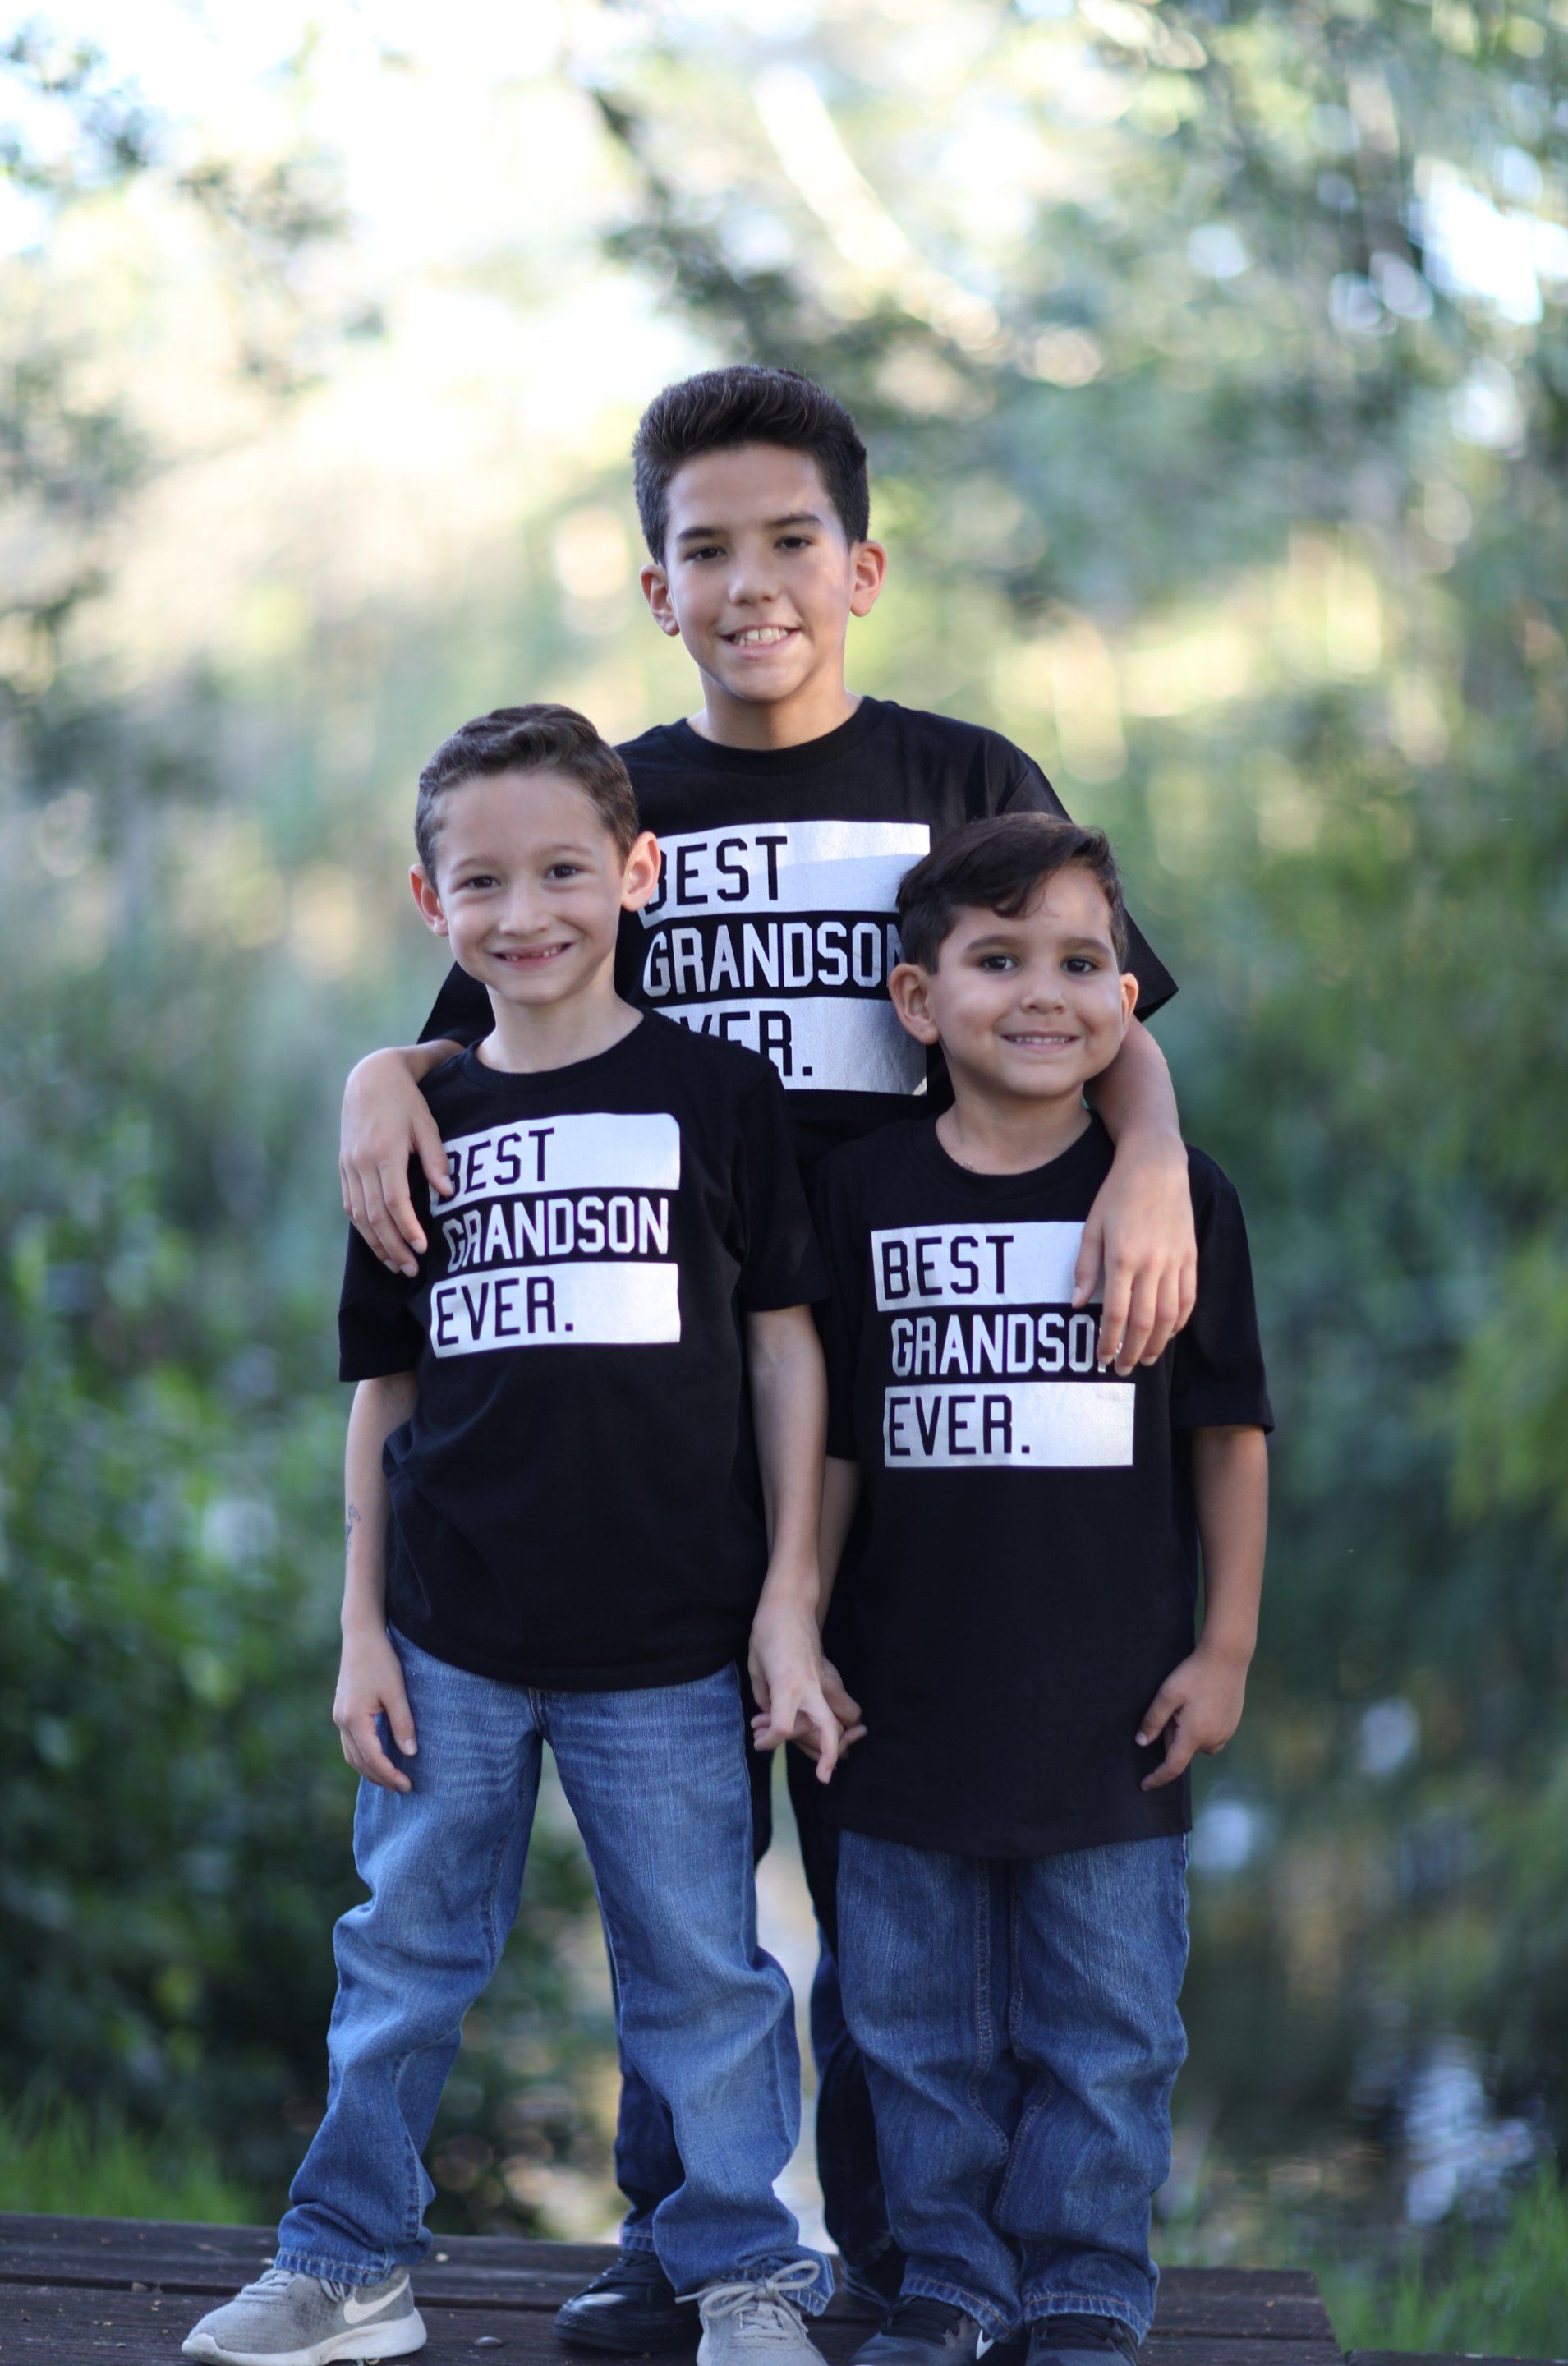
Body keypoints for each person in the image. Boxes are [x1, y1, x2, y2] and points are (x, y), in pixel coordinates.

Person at [335, 366, 1201, 2345]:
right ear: (654, 587)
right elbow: (482, 1029)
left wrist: (1150, 1155)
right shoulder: (613, 812)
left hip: (937, 1403)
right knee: (688, 1878)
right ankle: (690, 2242)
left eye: (788, 540)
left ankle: (928, 2271)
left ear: (861, 563)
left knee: (905, 1858)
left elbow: (1093, 991)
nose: (752, 584)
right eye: (704, 549)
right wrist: (376, 1069)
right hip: (674, 1427)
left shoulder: (959, 776)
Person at [183, 704, 846, 2366]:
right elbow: (382, 1399)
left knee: (704, 1976)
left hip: (674, 1638)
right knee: (401, 1959)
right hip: (450, 1635)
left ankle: (740, 2274)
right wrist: (359, 1631)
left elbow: (785, 1350)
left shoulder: (720, 1092)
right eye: (481, 881)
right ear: (432, 905)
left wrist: (787, 1597)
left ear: (635, 873)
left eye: (563, 869)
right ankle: (347, 2267)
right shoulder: (417, 1124)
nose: (524, 910)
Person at [813, 814, 1272, 2366]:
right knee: (912, 2032)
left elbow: (1229, 1435)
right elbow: (836, 1442)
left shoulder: (1175, 1196)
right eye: (998, 959)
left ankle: (1082, 2282)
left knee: (1110, 2030)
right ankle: (947, 2279)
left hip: (1110, 1701)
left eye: (1084, 963)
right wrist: (796, 1619)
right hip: (903, 1695)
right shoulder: (861, 1193)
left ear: (1128, 997)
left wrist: (1225, 1648)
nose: (1045, 993)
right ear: (917, 1000)